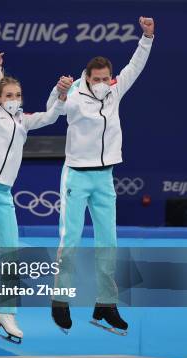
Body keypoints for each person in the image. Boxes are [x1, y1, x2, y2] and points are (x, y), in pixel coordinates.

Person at [47, 17, 154, 336]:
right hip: (76, 177)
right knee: (71, 240)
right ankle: (60, 300)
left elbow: (136, 66)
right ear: (87, 77)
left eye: (107, 78)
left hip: (104, 178)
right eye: (98, 79)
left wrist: (147, 37)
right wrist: (59, 91)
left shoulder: (114, 90)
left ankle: (106, 304)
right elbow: (53, 111)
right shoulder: (76, 93)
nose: (104, 83)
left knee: (108, 242)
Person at [0, 64, 67, 344]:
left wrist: (58, 94)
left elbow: (50, 117)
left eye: (17, 95)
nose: (13, 99)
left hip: (4, 194)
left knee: (10, 255)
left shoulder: (22, 120)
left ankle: (6, 313)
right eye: (8, 95)